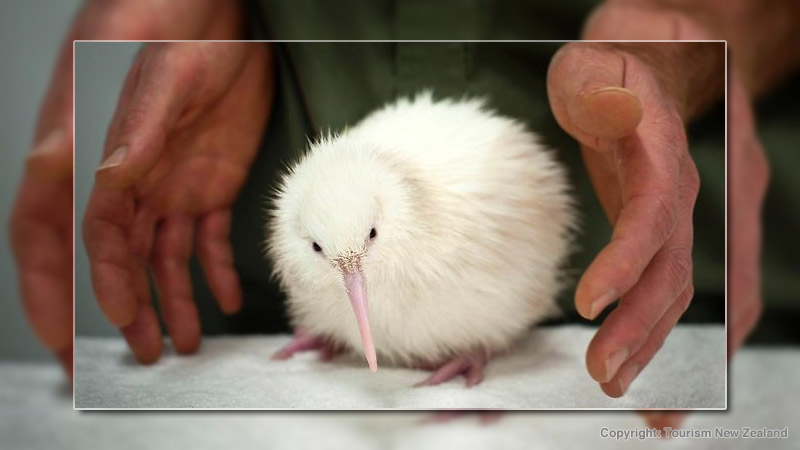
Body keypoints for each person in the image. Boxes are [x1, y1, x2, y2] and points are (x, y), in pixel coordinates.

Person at [10, 0, 798, 428]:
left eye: (370, 243)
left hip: (707, 270)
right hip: (234, 236)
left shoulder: (424, 220)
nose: (352, 273)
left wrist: (678, 38)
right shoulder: (327, 230)